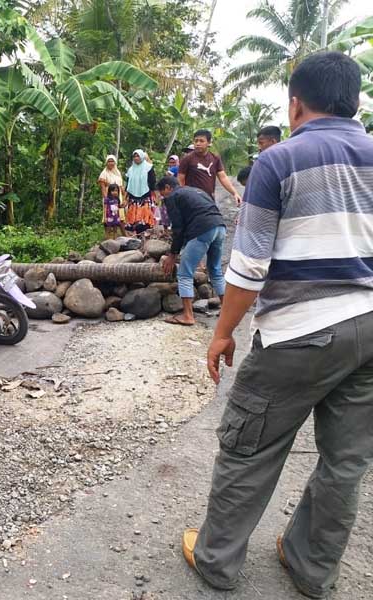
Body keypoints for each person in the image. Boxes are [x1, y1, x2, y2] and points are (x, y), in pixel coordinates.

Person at [182, 52, 373, 600]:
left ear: (294, 104)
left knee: (250, 446)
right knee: (346, 461)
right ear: (355, 101)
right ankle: (312, 569)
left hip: (301, 330)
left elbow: (249, 264)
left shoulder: (279, 160)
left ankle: (217, 561)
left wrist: (223, 333)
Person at [157, 177, 226, 326]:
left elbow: (178, 229)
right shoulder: (196, 191)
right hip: (220, 227)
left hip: (202, 229)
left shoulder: (173, 197)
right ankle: (227, 310)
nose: (164, 197)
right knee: (215, 270)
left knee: (184, 273)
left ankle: (188, 315)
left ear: (168, 187)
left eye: (162, 193)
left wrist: (172, 255)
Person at [178, 129, 243, 204]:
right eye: (196, 141)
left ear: (209, 143)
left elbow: (223, 177)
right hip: (192, 200)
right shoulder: (187, 158)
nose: (198, 143)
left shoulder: (215, 158)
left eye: (201, 141)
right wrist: (183, 197)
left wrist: (235, 193)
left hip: (209, 199)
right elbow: (180, 179)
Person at [124, 149, 156, 234]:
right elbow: (127, 185)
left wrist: (154, 196)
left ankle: (144, 236)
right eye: (134, 156)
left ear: (142, 156)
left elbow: (152, 182)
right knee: (132, 221)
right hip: (133, 198)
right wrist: (125, 197)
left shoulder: (148, 167)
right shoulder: (131, 170)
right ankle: (135, 238)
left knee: (144, 221)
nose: (136, 158)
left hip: (145, 196)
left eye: (137, 156)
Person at [98, 154, 125, 238]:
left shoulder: (117, 173)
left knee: (120, 216)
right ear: (106, 162)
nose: (111, 163)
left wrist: (124, 198)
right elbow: (103, 188)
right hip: (109, 198)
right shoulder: (104, 174)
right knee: (108, 216)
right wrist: (107, 199)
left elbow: (121, 187)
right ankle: (108, 236)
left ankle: (122, 235)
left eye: (112, 161)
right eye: (109, 161)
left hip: (118, 197)